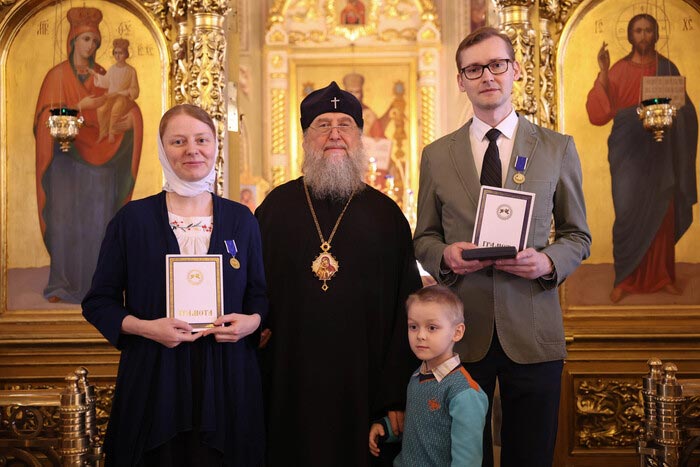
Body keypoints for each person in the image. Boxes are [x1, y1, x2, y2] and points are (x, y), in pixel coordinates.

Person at [413, 27, 591, 467]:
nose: (487, 76)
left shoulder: (556, 148)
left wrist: (546, 262)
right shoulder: (437, 155)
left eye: (497, 64)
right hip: (460, 335)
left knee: (530, 457)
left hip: (533, 331)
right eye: (474, 69)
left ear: (516, 70)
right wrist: (445, 256)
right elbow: (424, 237)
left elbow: (578, 235)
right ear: (461, 81)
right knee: (463, 459)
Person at [82, 104, 268, 466]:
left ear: (215, 145)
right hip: (155, 380)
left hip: (228, 379)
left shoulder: (241, 219)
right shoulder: (131, 220)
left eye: (201, 140)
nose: (192, 150)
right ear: (161, 148)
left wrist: (251, 322)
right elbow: (99, 302)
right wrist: (146, 328)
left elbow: (259, 295)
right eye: (178, 141)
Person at [256, 81, 422, 466]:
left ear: (360, 137)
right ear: (305, 138)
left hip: (365, 385)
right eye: (323, 125)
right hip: (289, 381)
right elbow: (252, 291)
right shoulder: (274, 210)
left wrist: (395, 396)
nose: (335, 134)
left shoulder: (387, 216)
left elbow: (406, 309)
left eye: (345, 124)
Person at [34, 6, 143, 304]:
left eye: (95, 41)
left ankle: (100, 286)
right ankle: (63, 283)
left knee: (98, 221)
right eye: (85, 39)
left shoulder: (104, 75)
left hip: (101, 164)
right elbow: (44, 117)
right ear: (72, 40)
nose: (91, 46)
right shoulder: (56, 76)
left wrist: (130, 122)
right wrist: (76, 109)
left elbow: (124, 106)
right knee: (64, 218)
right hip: (64, 163)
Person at [585, 13, 698, 303]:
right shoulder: (619, 69)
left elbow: (686, 110)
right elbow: (599, 114)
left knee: (662, 212)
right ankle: (624, 279)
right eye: (638, 30)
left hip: (661, 153)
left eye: (648, 30)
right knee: (626, 211)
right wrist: (604, 72)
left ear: (656, 34)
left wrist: (672, 112)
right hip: (627, 152)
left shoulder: (667, 67)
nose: (644, 36)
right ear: (630, 35)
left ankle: (664, 277)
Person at [369, 285, 488, 466]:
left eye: (432, 327)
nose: (420, 335)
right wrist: (388, 429)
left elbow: (467, 460)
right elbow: (422, 424)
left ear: (457, 332)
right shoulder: (417, 375)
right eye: (413, 326)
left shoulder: (464, 393)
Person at [89, 38, 140, 144]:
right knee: (101, 110)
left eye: (120, 53)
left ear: (126, 54)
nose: (117, 56)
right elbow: (106, 82)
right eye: (115, 53)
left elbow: (134, 88)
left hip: (122, 98)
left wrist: (125, 92)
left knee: (115, 111)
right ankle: (103, 133)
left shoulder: (131, 71)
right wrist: (95, 74)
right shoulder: (112, 69)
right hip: (111, 96)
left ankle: (112, 133)